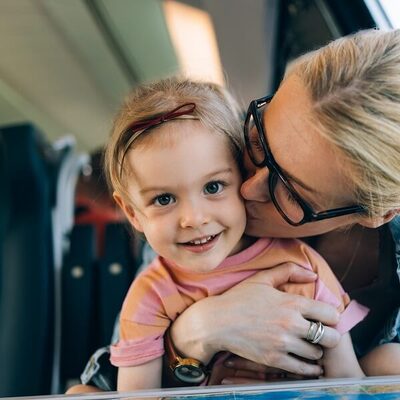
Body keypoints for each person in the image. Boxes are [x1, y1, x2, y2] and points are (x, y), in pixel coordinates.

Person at [67, 28, 400, 394]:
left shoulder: (302, 268)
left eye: (287, 188)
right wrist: (195, 336)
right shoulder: (196, 182)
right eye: (257, 142)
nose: (246, 187)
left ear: (376, 213)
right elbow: (115, 382)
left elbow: (347, 388)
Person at [105, 76, 374, 392]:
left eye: (213, 187)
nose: (194, 218)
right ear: (133, 212)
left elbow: (346, 383)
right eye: (164, 199)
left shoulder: (301, 264)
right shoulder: (151, 296)